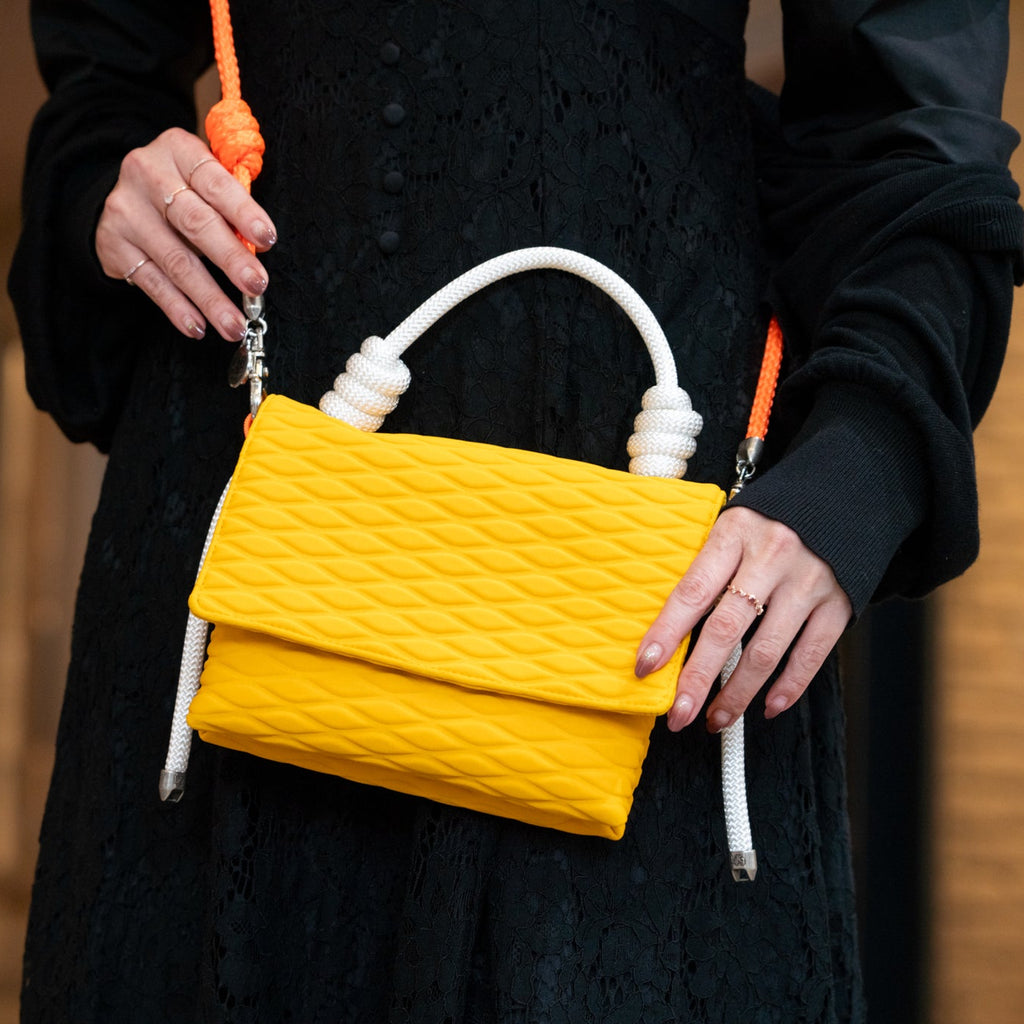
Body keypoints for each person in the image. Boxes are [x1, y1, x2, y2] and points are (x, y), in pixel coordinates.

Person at [9, 0, 1022, 1020]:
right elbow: (103, 77)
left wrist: (855, 467)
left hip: (648, 558)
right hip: (269, 528)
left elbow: (908, 122)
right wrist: (110, 186)